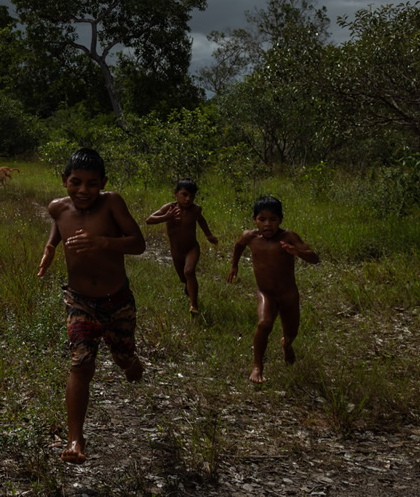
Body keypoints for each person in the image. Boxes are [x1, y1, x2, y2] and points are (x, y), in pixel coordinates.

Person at [37, 148, 146, 464]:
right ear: (64, 180)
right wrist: (49, 248)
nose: (83, 190)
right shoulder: (57, 207)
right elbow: (60, 222)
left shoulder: (112, 203)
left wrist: (103, 243)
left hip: (118, 300)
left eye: (92, 184)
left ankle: (130, 361)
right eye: (76, 182)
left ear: (103, 183)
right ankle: (75, 440)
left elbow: (139, 244)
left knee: (123, 356)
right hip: (80, 300)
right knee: (81, 362)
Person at [227, 195, 320, 384]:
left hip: (288, 295)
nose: (267, 224)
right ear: (254, 220)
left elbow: (314, 257)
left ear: (281, 220)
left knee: (291, 332)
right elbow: (238, 245)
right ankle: (257, 366)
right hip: (265, 292)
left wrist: (298, 252)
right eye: (262, 219)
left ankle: (286, 344)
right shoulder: (250, 236)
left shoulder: (289, 237)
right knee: (264, 324)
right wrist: (234, 265)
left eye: (273, 219)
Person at [146, 178, 218, 314]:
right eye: (184, 195)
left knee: (189, 271)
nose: (188, 199)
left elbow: (201, 220)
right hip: (176, 251)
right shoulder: (169, 208)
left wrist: (208, 235)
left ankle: (193, 305)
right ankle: (189, 287)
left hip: (192, 248)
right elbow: (149, 220)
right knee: (183, 278)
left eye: (192, 196)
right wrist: (166, 217)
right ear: (175, 193)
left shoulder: (195, 210)